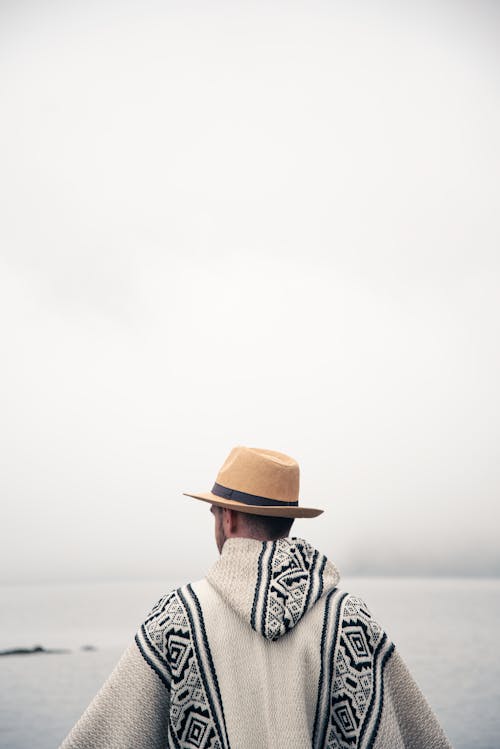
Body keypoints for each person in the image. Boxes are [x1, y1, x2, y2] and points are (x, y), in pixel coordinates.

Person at [60, 446, 452, 749]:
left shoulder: (177, 617)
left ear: (227, 518)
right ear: (289, 519)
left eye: (214, 512)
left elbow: (104, 737)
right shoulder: (349, 618)